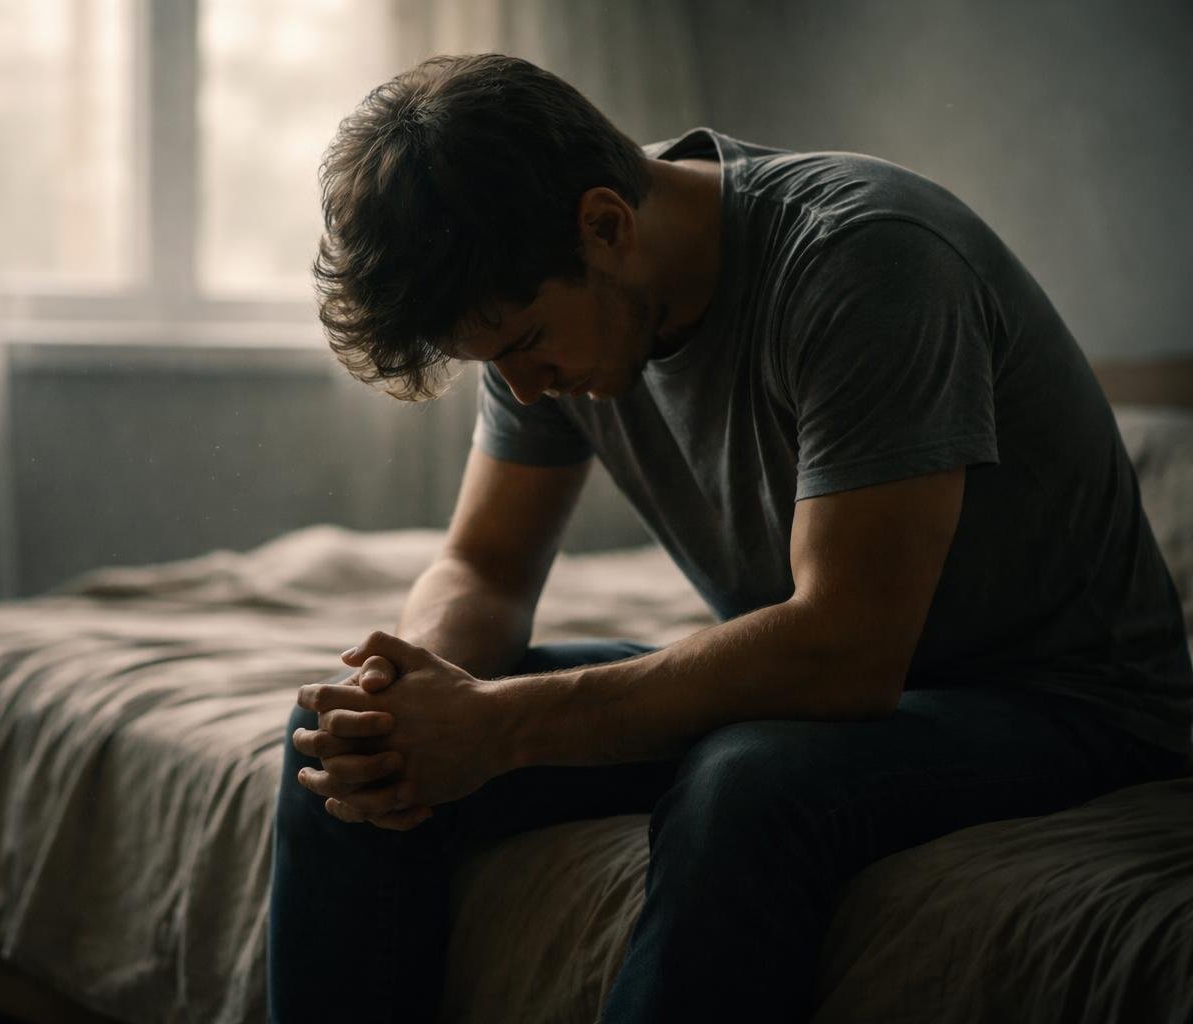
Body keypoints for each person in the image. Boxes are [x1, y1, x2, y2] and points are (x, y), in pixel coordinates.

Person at [267, 53, 1193, 1023]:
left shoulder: (866, 259)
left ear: (607, 224)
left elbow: (847, 651)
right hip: (803, 680)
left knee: (746, 781)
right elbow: (484, 566)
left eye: (524, 347)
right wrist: (417, 704)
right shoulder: (544, 278)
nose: (525, 387)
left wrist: (502, 725)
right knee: (337, 748)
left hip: (1066, 700)